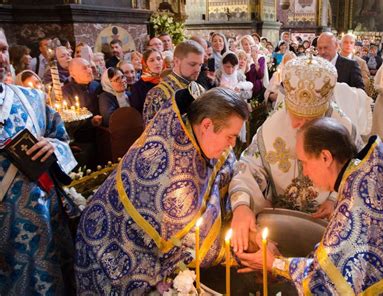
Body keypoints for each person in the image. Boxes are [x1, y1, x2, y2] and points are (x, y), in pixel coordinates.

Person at [237, 117, 383, 295]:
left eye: (304, 162)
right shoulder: (366, 172)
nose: (304, 172)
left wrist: (274, 263)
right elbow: (337, 254)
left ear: (325, 157)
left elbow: (324, 282)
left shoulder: (355, 206)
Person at [75, 87, 249, 295]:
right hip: (111, 253)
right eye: (230, 136)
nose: (232, 144)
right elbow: (196, 247)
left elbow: (228, 167)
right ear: (207, 125)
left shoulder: (189, 130)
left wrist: (241, 208)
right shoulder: (173, 176)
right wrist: (244, 253)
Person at [229, 56, 363, 253]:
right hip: (278, 226)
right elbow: (248, 167)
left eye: (307, 119)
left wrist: (335, 198)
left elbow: (357, 176)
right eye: (294, 115)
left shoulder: (344, 129)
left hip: (328, 234)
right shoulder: (272, 127)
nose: (295, 125)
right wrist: (242, 205)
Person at [0, 27, 79, 295]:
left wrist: (53, 147)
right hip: (6, 241)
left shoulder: (31, 98)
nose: (1, 58)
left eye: (1, 49)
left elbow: (64, 142)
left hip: (48, 228)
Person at [143, 40, 205, 124]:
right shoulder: (158, 93)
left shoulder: (199, 88)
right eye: (192, 64)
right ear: (176, 61)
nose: (198, 69)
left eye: (200, 64)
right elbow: (152, 133)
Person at [62, 58, 103, 167]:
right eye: (84, 68)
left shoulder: (97, 85)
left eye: (89, 66)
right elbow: (69, 119)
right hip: (82, 140)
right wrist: (91, 122)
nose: (89, 70)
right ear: (73, 73)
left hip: (102, 135)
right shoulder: (66, 92)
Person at [129, 49, 163, 114]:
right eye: (151, 60)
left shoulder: (169, 80)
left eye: (159, 59)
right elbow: (137, 112)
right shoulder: (137, 87)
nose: (157, 62)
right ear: (145, 64)